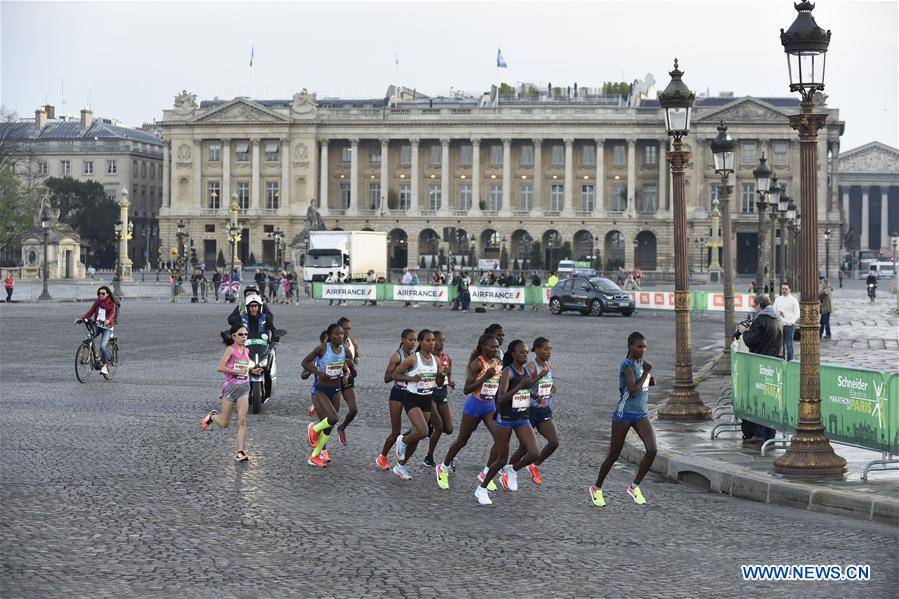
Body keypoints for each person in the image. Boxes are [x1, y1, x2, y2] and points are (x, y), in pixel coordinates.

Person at [589, 331, 657, 508]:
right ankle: (596, 488)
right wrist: (646, 373)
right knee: (614, 455)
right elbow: (633, 391)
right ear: (630, 346)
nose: (642, 350)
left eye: (644, 347)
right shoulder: (627, 365)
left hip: (641, 414)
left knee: (652, 450)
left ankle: (634, 487)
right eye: (639, 347)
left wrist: (649, 380)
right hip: (624, 414)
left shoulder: (641, 363)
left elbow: (642, 384)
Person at [476, 340, 543, 505]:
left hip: (522, 417)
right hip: (505, 419)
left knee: (534, 453)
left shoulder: (526, 370)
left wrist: (534, 395)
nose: (525, 355)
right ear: (513, 354)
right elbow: (501, 398)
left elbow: (526, 388)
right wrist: (520, 386)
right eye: (521, 352)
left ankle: (512, 470)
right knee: (500, 460)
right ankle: (482, 489)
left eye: (527, 352)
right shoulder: (508, 371)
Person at [435, 334, 501, 492]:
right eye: (492, 346)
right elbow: (466, 389)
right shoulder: (477, 363)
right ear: (482, 347)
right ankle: (442, 468)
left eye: (497, 347)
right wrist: (485, 377)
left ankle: (486, 473)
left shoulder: (497, 362)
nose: (495, 349)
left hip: (489, 406)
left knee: (500, 440)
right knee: (462, 440)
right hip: (475, 406)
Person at [301, 323, 355, 468]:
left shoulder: (344, 350)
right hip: (320, 389)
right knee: (333, 418)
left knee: (330, 425)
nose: (340, 336)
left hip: (335, 389)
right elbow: (304, 362)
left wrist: (346, 375)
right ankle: (314, 429)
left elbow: (346, 366)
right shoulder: (323, 348)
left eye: (342, 333)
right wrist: (318, 372)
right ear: (330, 336)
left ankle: (314, 456)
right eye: (337, 334)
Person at [391, 330, 440, 480]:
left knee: (417, 435)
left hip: (427, 398)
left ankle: (400, 466)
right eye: (428, 340)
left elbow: (438, 383)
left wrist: (442, 377)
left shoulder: (436, 360)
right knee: (423, 431)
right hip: (412, 398)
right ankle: (403, 441)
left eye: (433, 340)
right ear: (420, 342)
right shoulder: (413, 359)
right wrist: (411, 379)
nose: (432, 343)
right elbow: (395, 375)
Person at [509, 337, 558, 485]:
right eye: (545, 349)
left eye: (550, 349)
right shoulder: (531, 366)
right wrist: (539, 376)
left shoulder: (548, 366)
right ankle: (507, 469)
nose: (549, 352)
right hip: (529, 411)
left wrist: (551, 387)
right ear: (536, 350)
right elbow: (524, 385)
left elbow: (545, 384)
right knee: (524, 448)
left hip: (544, 410)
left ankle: (534, 465)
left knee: (554, 442)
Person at [201, 323, 254, 462]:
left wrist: (253, 370)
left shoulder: (246, 350)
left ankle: (240, 452)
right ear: (234, 336)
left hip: (244, 388)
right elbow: (220, 367)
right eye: (241, 334)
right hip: (231, 388)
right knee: (225, 424)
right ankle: (212, 417)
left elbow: (245, 367)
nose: (244, 337)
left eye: (246, 334)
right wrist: (237, 371)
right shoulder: (230, 350)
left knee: (242, 420)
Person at [736, 294, 782, 443]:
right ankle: (770, 433)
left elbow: (751, 341)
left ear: (760, 306)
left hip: (760, 363)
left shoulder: (760, 320)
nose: (754, 308)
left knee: (759, 399)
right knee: (770, 399)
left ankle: (759, 433)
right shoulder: (777, 318)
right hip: (774, 363)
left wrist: (744, 332)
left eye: (755, 306)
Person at [376, 329, 418, 470]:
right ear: (403, 339)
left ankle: (403, 442)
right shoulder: (396, 357)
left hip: (411, 395)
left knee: (418, 427)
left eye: (415, 340)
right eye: (410, 340)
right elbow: (387, 378)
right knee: (395, 431)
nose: (413, 343)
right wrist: (402, 372)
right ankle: (382, 456)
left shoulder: (414, 356)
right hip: (397, 395)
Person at [421, 331, 454, 466]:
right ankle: (429, 457)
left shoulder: (447, 357)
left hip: (442, 394)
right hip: (430, 394)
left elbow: (449, 374)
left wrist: (450, 381)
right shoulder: (429, 359)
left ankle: (428, 424)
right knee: (439, 427)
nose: (442, 343)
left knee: (449, 429)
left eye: (443, 340)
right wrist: (440, 376)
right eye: (439, 340)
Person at [75, 286, 118, 378]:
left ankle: (105, 366)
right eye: (99, 293)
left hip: (107, 328)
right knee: (88, 338)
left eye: (103, 293)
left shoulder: (112, 303)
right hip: (97, 326)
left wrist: (108, 320)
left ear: (107, 294)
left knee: (103, 346)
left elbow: (112, 314)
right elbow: (90, 312)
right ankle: (94, 356)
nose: (101, 295)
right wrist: (81, 319)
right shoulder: (97, 303)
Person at [334, 317, 360, 446]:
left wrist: (356, 359)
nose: (347, 331)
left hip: (347, 377)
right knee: (332, 415)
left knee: (354, 409)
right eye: (345, 329)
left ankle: (341, 428)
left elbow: (356, 355)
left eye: (349, 328)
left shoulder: (352, 342)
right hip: (333, 379)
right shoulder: (333, 344)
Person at [773, 283, 800, 361]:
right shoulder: (778, 299)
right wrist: (778, 313)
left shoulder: (793, 300)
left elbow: (797, 314)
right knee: (780, 344)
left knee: (789, 344)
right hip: (779, 325)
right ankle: (781, 360)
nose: (784, 290)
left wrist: (790, 322)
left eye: (786, 289)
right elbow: (774, 310)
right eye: (783, 289)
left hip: (789, 326)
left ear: (789, 290)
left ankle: (790, 361)